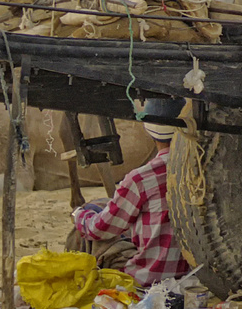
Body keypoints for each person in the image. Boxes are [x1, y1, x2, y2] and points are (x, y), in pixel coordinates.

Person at [71, 122, 190, 286]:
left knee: (88, 220)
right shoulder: (200, 169)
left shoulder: (141, 178)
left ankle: (77, 282)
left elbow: (98, 229)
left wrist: (79, 216)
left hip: (148, 278)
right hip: (192, 275)